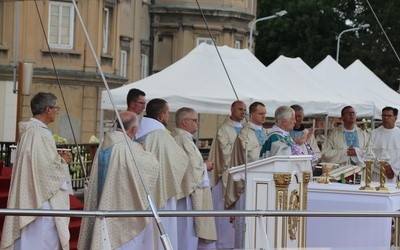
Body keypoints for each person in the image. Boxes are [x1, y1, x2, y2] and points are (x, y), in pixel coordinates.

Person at [78, 111, 160, 249]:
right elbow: (152, 166)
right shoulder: (128, 147)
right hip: (122, 209)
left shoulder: (105, 145)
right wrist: (143, 151)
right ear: (134, 129)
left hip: (105, 201)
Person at [1, 92, 73, 250]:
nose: (57, 111)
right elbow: (47, 171)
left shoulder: (30, 131)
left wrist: (57, 158)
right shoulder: (39, 133)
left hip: (30, 197)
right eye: (56, 108)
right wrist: (63, 162)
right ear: (48, 110)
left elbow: (40, 163)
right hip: (41, 201)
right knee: (41, 242)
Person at [135, 98, 189, 250]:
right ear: (161, 116)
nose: (168, 116)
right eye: (167, 113)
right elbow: (179, 162)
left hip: (141, 191)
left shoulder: (136, 130)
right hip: (162, 190)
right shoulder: (162, 136)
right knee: (164, 227)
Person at [171, 107, 217, 250]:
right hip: (188, 195)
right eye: (195, 120)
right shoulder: (182, 139)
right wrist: (205, 166)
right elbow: (191, 169)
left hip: (190, 192)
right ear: (185, 122)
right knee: (188, 232)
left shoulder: (182, 139)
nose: (198, 124)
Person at [225, 101, 267, 248]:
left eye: (265, 114)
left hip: (262, 183)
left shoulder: (264, 132)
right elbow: (251, 156)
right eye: (261, 114)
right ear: (252, 115)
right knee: (245, 222)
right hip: (246, 184)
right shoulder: (245, 133)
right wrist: (268, 152)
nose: (264, 117)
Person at [208, 100, 246, 248]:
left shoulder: (246, 128)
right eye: (240, 109)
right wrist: (241, 158)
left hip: (243, 175)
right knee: (223, 215)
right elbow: (223, 152)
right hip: (227, 175)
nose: (243, 112)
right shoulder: (223, 129)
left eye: (245, 110)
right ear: (232, 109)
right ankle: (223, 244)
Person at [370, 106, 398, 182]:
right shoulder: (373, 134)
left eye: (389, 116)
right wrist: (382, 167)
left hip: (395, 175)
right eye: (384, 115)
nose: (386, 118)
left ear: (395, 118)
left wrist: (393, 168)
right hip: (377, 175)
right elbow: (369, 153)